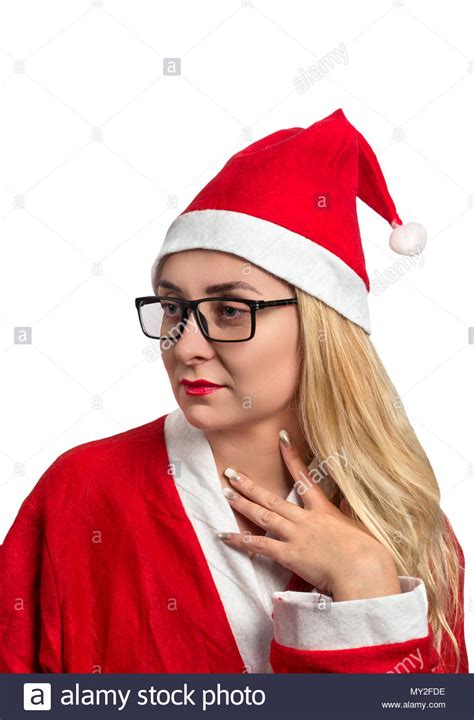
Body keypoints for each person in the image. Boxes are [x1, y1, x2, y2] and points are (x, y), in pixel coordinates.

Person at [0, 109, 468, 673]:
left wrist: (364, 583)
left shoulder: (409, 522)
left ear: (322, 324)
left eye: (229, 310)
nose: (184, 344)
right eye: (173, 307)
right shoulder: (82, 492)